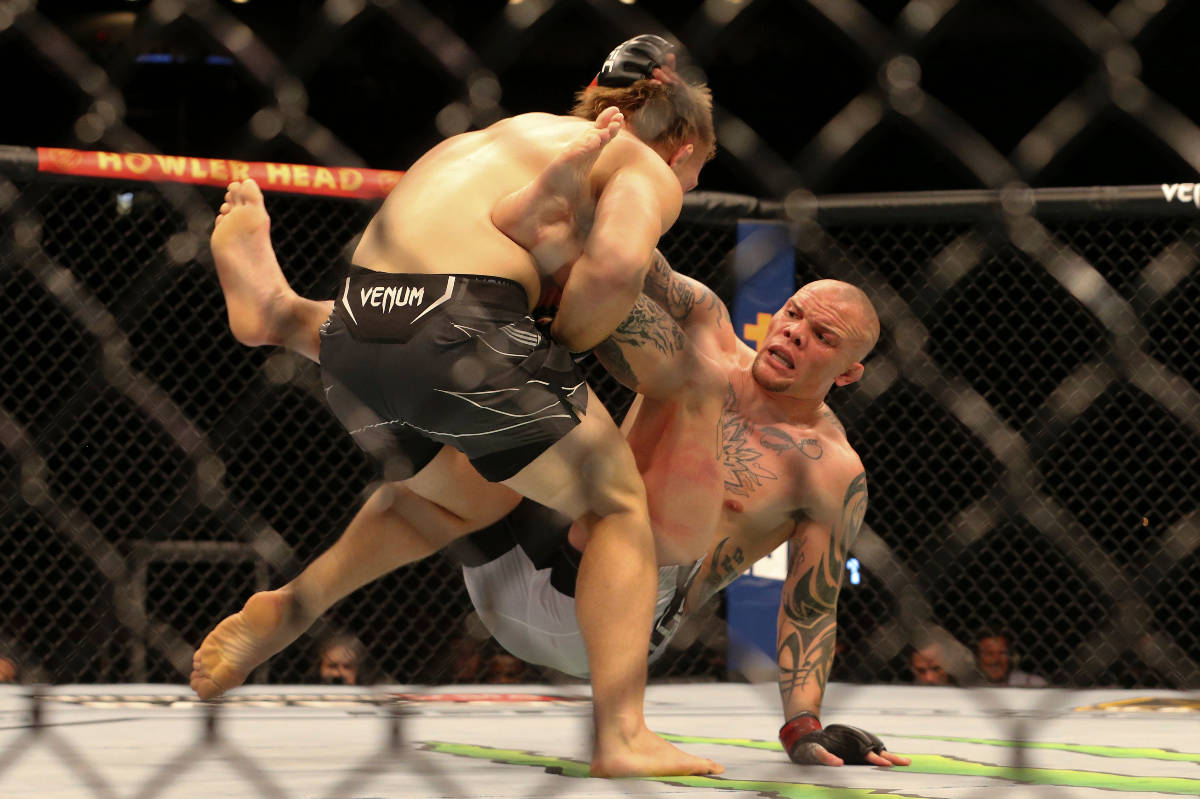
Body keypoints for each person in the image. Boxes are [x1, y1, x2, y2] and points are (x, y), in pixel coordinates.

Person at [194, 100, 908, 766]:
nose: (793, 335)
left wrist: (804, 726)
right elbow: (625, 268)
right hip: (528, 561)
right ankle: (288, 606)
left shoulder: (829, 469)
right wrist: (586, 181)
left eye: (821, 337)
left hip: (604, 627)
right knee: (448, 485)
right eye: (792, 316)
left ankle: (293, 318)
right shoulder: (709, 319)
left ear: (848, 372)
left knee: (687, 377)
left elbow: (811, 604)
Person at [194, 34, 722, 779]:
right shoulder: (641, 160)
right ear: (686, 140)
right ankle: (623, 735)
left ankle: (292, 594)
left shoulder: (506, 139)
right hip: (458, 324)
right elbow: (616, 267)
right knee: (615, 506)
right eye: (702, 165)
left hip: (354, 331)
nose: (695, 179)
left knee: (447, 498)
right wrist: (565, 340)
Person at [975, 629, 1047, 687]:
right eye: (989, 653)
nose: (996, 660)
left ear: (1011, 656)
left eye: (1003, 653)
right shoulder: (967, 685)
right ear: (978, 657)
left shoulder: (1033, 684)